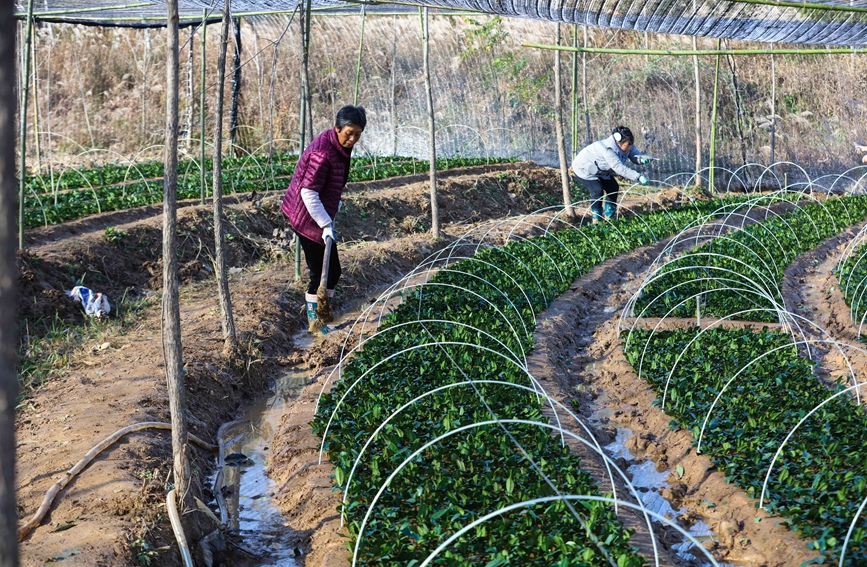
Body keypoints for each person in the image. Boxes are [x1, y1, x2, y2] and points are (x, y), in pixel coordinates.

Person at [282, 105, 366, 332]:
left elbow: (332, 182)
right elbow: (308, 193)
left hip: (319, 213)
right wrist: (325, 224)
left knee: (332, 272)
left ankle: (323, 313)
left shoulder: (340, 147)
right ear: (337, 128)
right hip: (306, 216)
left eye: (357, 134)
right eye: (349, 133)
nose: (352, 139)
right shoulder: (323, 153)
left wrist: (334, 205)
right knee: (320, 272)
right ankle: (316, 322)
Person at [571, 125, 651, 221]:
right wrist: (638, 177)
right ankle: (596, 220)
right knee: (597, 190)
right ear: (618, 142)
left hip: (601, 169)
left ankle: (609, 218)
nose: (630, 147)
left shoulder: (628, 144)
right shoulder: (608, 149)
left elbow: (634, 155)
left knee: (613, 187)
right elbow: (619, 168)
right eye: (627, 145)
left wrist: (641, 159)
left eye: (631, 144)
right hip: (584, 168)